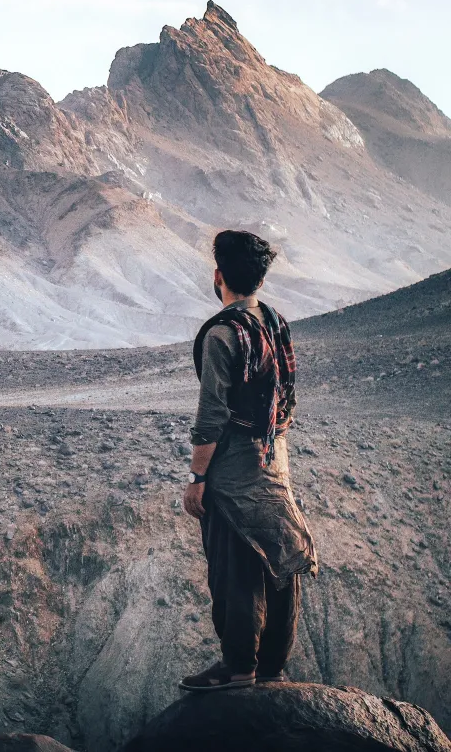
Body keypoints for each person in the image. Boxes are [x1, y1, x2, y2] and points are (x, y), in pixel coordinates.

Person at [179, 230, 318, 692]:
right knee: (278, 558)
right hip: (275, 462)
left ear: (219, 275)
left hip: (234, 470)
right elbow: (287, 397)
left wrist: (198, 477)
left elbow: (212, 415)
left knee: (233, 564)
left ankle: (239, 668)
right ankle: (273, 666)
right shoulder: (276, 324)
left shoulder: (222, 334)